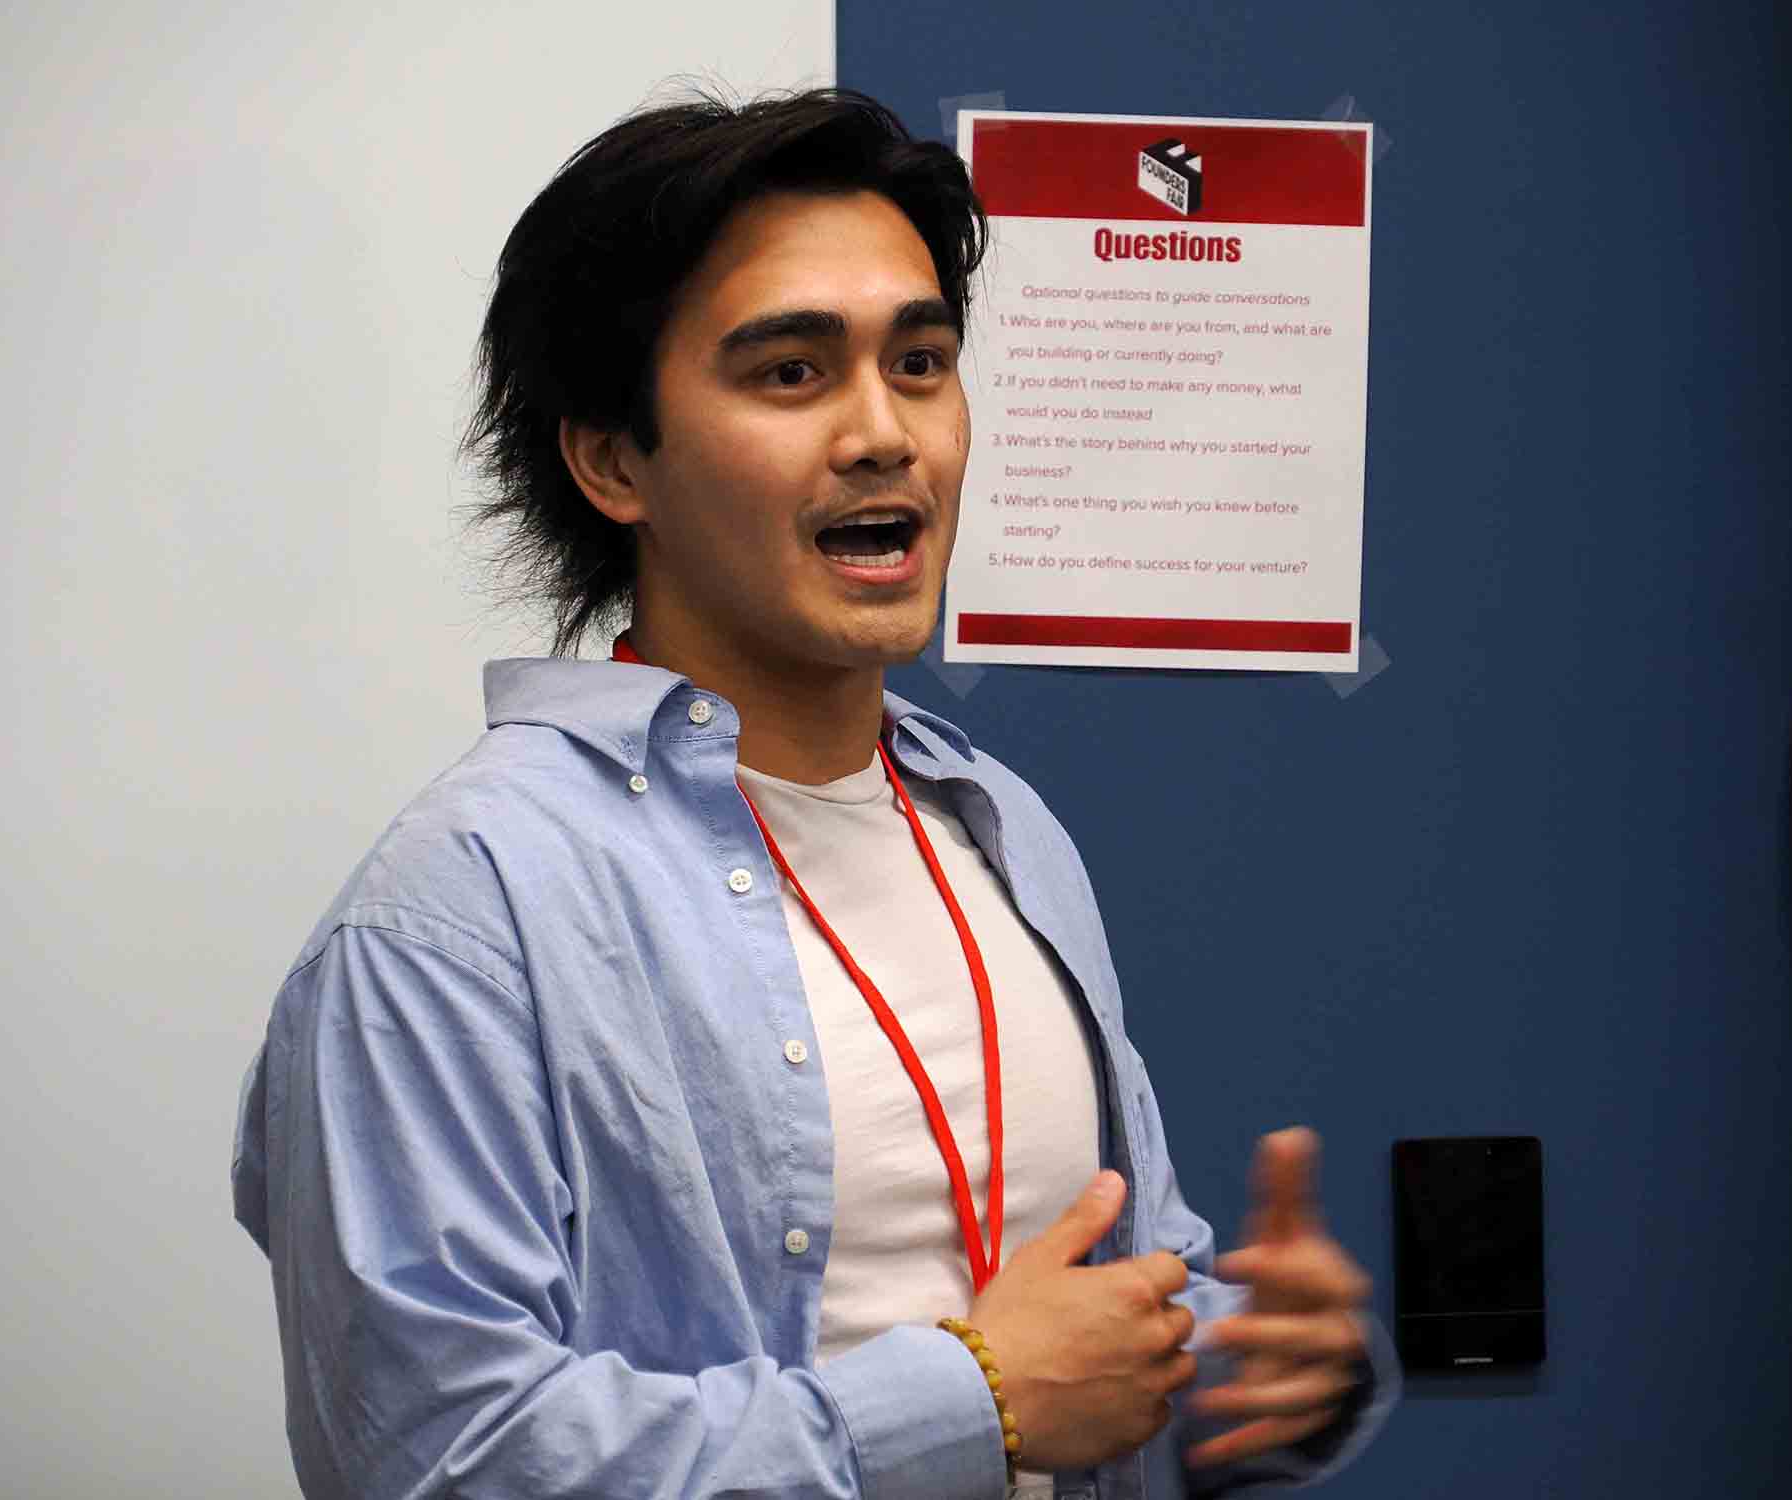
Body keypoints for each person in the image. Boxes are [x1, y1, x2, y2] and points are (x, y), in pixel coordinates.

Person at [231, 87, 1396, 1499]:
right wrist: (971, 1402)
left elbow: (1095, 1334)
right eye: (791, 373)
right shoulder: (458, 914)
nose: (883, 433)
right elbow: (434, 1460)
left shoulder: (1001, 829)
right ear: (611, 459)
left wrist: (1260, 1367)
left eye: (921, 361)